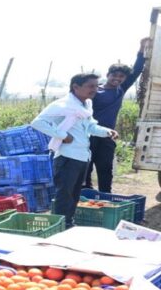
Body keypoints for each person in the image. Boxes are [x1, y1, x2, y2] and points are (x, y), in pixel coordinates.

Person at [32, 73, 119, 228]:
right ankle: (59, 226)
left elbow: (91, 126)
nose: (94, 90)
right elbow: (38, 122)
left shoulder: (86, 106)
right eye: (90, 86)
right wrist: (63, 135)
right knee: (64, 195)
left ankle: (68, 223)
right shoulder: (63, 105)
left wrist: (107, 132)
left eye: (96, 86)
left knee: (74, 194)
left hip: (82, 156)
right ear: (76, 87)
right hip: (67, 156)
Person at [84, 37, 150, 192]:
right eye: (114, 75)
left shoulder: (121, 89)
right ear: (108, 74)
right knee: (86, 166)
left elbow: (137, 70)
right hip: (89, 134)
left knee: (105, 167)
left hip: (108, 135)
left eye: (121, 77)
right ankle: (86, 193)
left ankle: (106, 196)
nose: (117, 79)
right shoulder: (94, 91)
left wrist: (141, 48)